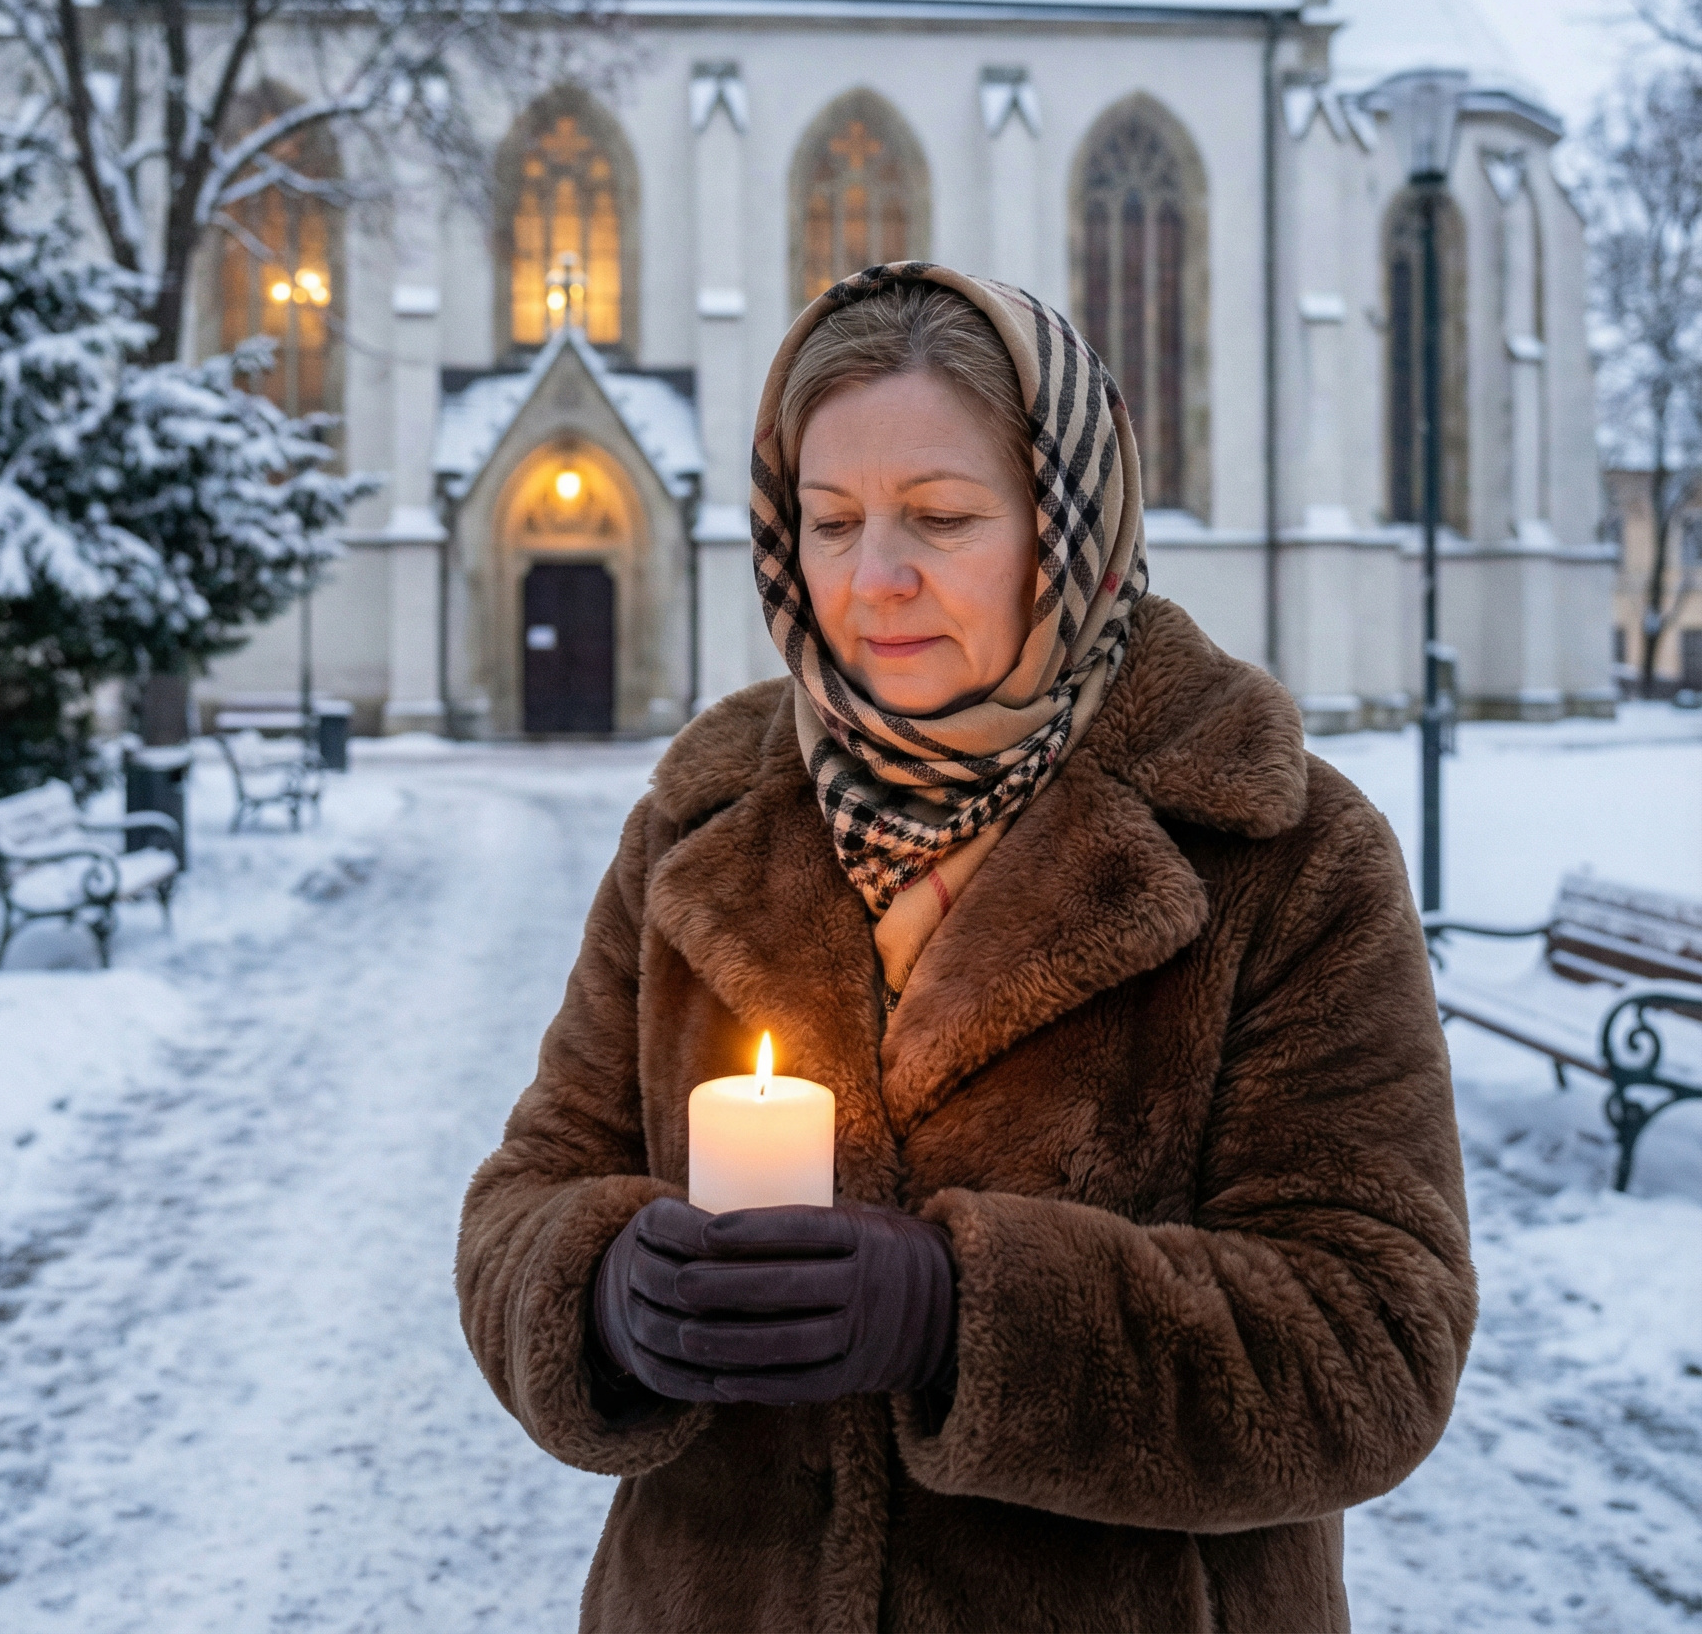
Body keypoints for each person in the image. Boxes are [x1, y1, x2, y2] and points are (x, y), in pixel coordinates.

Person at [457, 262, 1475, 1633]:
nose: (874, 581)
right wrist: (600, 1298)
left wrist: (969, 1315)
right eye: (828, 521)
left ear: (1068, 527)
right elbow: (526, 1200)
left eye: (942, 517)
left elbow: (1375, 1342)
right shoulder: (700, 831)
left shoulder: (1278, 852)